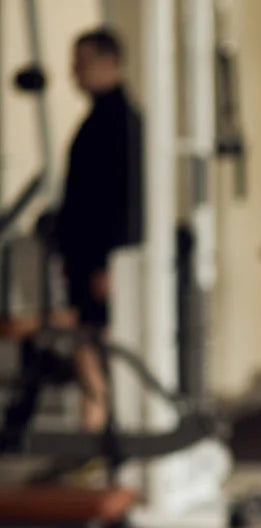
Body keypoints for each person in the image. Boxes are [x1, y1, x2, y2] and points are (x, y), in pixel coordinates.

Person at [38, 27, 142, 478]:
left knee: (92, 343)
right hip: (86, 257)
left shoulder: (119, 121)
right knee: (87, 343)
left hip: (100, 260)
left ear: (108, 62)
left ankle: (95, 438)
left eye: (81, 61)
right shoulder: (101, 117)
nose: (73, 72)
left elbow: (120, 200)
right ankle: (93, 436)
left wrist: (106, 264)